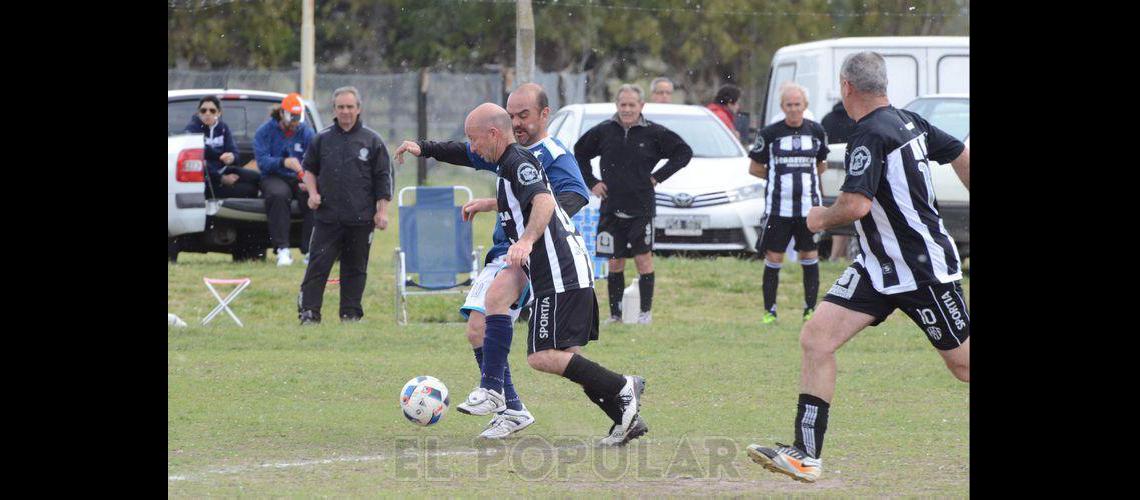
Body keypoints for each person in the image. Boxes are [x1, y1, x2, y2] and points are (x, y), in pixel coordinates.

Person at [746, 51, 971, 483]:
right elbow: (959, 151)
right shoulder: (910, 120)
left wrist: (819, 218)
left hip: (922, 269)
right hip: (876, 269)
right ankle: (805, 454)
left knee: (964, 367)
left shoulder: (869, 134)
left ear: (847, 87)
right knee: (816, 338)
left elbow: (854, 205)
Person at [392, 83, 590, 439]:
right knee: (478, 329)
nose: (516, 122)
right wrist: (424, 148)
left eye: (523, 115)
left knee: (503, 330)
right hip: (507, 250)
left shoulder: (553, 153)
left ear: (545, 114)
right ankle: (510, 405)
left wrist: (534, 233)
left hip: (530, 254)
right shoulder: (505, 153)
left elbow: (572, 195)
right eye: (511, 115)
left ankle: (503, 399)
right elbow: (468, 152)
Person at [459, 102, 648, 446]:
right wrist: (491, 205)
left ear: (493, 134)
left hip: (559, 272)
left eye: (474, 140)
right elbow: (523, 201)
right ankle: (624, 417)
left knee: (542, 356)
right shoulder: (507, 166)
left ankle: (622, 385)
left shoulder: (517, 162)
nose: (473, 149)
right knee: (555, 347)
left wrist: (527, 241)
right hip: (560, 270)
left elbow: (545, 202)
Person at [574, 83, 693, 325]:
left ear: (642, 106)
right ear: (617, 106)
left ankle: (644, 314)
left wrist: (657, 177)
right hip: (610, 206)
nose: (627, 109)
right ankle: (616, 315)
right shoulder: (604, 131)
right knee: (615, 261)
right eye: (623, 105)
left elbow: (684, 153)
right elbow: (580, 152)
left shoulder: (654, 133)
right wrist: (592, 182)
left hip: (642, 208)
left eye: (632, 105)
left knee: (643, 259)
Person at [295, 86, 392, 324]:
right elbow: (308, 169)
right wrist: (313, 193)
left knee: (355, 268)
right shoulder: (322, 139)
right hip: (328, 217)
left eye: (350, 107)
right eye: (341, 107)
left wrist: (382, 212)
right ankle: (309, 312)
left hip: (361, 218)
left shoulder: (372, 141)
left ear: (358, 109)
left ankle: (350, 313)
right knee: (318, 265)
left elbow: (383, 178)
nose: (345, 111)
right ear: (334, 110)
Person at [747, 82, 830, 325]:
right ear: (782, 107)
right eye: (789, 105)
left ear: (805, 106)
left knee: (810, 254)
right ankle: (770, 312)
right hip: (778, 209)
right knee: (774, 257)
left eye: (798, 104)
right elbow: (754, 168)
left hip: (809, 209)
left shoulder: (817, 131)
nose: (794, 109)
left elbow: (821, 165)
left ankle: (809, 310)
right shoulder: (769, 134)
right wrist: (777, 176)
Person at [254, 92, 316, 266]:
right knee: (278, 195)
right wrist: (283, 162)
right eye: (291, 117)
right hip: (274, 176)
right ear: (282, 113)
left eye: (297, 118)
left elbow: (315, 158)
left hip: (300, 177)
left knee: (313, 197)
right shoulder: (264, 132)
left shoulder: (306, 132)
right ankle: (282, 249)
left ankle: (311, 249)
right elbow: (262, 161)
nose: (295, 123)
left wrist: (309, 179)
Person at [184, 95, 260, 199]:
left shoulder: (223, 128)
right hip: (206, 180)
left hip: (223, 169)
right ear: (198, 113)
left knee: (257, 178)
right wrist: (221, 178)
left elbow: (234, 152)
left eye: (212, 111)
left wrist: (231, 157)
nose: (207, 113)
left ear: (219, 113)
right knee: (249, 190)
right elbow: (199, 162)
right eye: (203, 110)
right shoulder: (192, 130)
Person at [820, 100, 858, 262]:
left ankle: (834, 256)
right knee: (854, 217)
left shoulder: (827, 119)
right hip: (853, 171)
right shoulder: (856, 118)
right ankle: (851, 256)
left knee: (839, 215)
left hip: (833, 173)